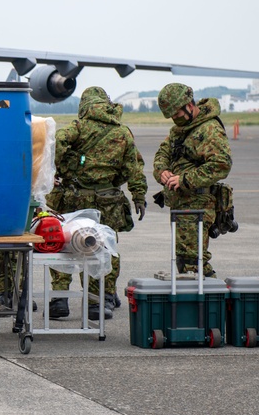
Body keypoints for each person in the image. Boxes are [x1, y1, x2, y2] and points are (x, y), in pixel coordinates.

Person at [45, 86, 147, 320]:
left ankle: (60, 298)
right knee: (103, 247)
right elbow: (134, 168)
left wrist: (61, 169)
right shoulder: (122, 132)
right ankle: (99, 301)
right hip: (108, 201)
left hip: (74, 198)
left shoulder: (76, 128)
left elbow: (57, 143)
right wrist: (139, 195)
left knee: (64, 242)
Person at [153, 83, 232, 278]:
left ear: (189, 105)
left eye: (177, 114)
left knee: (193, 262)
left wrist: (185, 180)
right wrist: (161, 171)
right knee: (186, 260)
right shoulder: (179, 130)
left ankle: (208, 302)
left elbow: (221, 164)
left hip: (197, 204)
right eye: (171, 116)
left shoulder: (209, 129)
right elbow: (163, 153)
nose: (175, 119)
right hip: (182, 205)